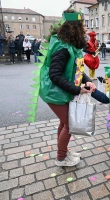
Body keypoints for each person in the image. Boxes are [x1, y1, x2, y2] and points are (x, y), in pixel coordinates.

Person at [38, 9, 96, 167]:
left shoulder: (70, 45)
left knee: (64, 124)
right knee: (69, 124)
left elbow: (76, 69)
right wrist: (78, 89)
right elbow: (55, 75)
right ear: (75, 28)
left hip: (60, 91)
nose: (84, 29)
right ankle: (61, 158)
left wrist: (88, 80)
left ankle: (63, 151)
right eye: (82, 26)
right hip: (53, 92)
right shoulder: (62, 48)